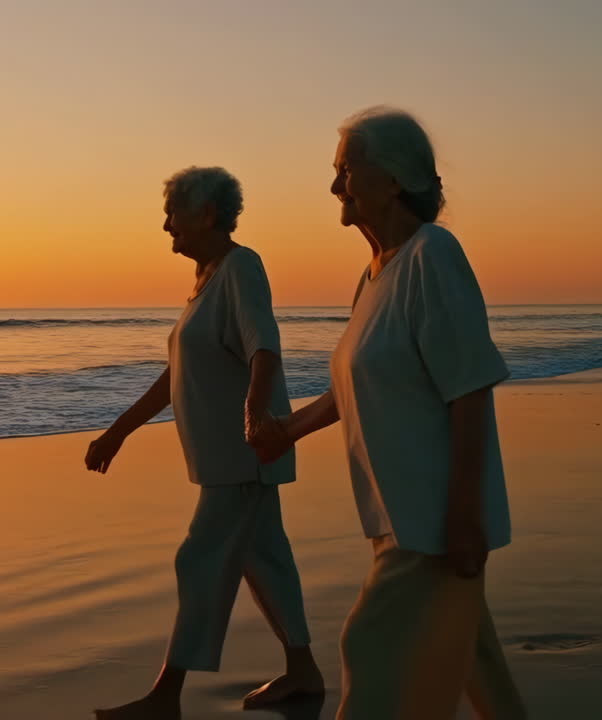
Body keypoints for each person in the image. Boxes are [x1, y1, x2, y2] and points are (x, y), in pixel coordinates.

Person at [255, 107, 527, 719]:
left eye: (347, 170)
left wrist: (463, 516)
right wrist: (286, 432)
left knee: (369, 645)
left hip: (431, 524)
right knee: (478, 668)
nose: (334, 187)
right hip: (396, 518)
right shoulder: (376, 275)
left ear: (396, 178)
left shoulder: (434, 255)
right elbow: (357, 389)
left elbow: (469, 389)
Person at [85, 166, 323, 719]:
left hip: (244, 455)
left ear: (208, 214)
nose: (166, 225)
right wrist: (118, 430)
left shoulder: (242, 267)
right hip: (227, 460)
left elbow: (264, 347)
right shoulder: (207, 281)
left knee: (200, 560)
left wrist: (254, 414)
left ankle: (166, 697)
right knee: (265, 562)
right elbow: (175, 378)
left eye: (174, 213)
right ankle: (303, 670)